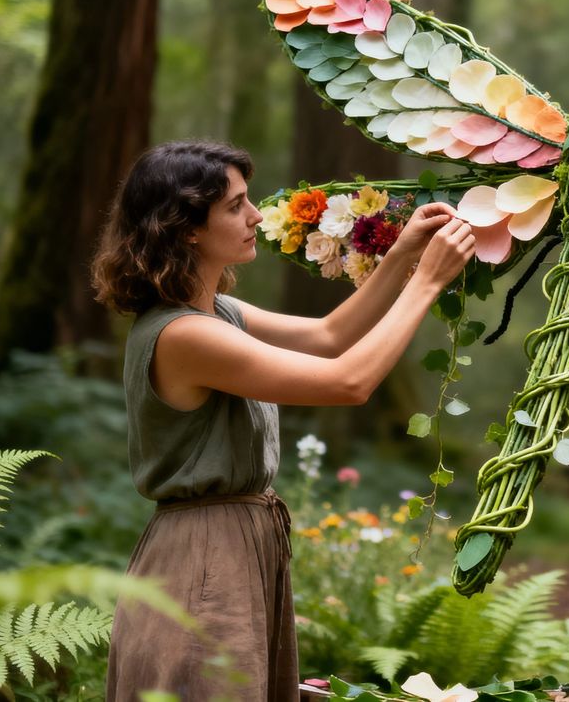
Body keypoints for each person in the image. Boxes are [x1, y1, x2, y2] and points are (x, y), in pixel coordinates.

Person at [92, 140, 475, 700]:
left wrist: (402, 254)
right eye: (235, 206)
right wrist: (428, 281)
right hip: (202, 562)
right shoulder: (183, 335)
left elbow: (329, 338)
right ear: (187, 227)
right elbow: (349, 381)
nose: (254, 217)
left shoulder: (216, 313)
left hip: (234, 549)